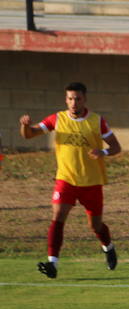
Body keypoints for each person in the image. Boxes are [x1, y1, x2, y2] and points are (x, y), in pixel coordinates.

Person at [18, 82, 121, 279]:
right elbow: (29, 135)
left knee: (95, 226)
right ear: (66, 100)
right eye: (70, 99)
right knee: (58, 216)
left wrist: (103, 152)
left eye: (78, 99)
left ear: (85, 99)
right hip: (66, 179)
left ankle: (108, 247)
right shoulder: (57, 119)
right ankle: (52, 263)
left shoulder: (97, 121)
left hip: (91, 182)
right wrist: (24, 126)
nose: (74, 103)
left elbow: (116, 147)